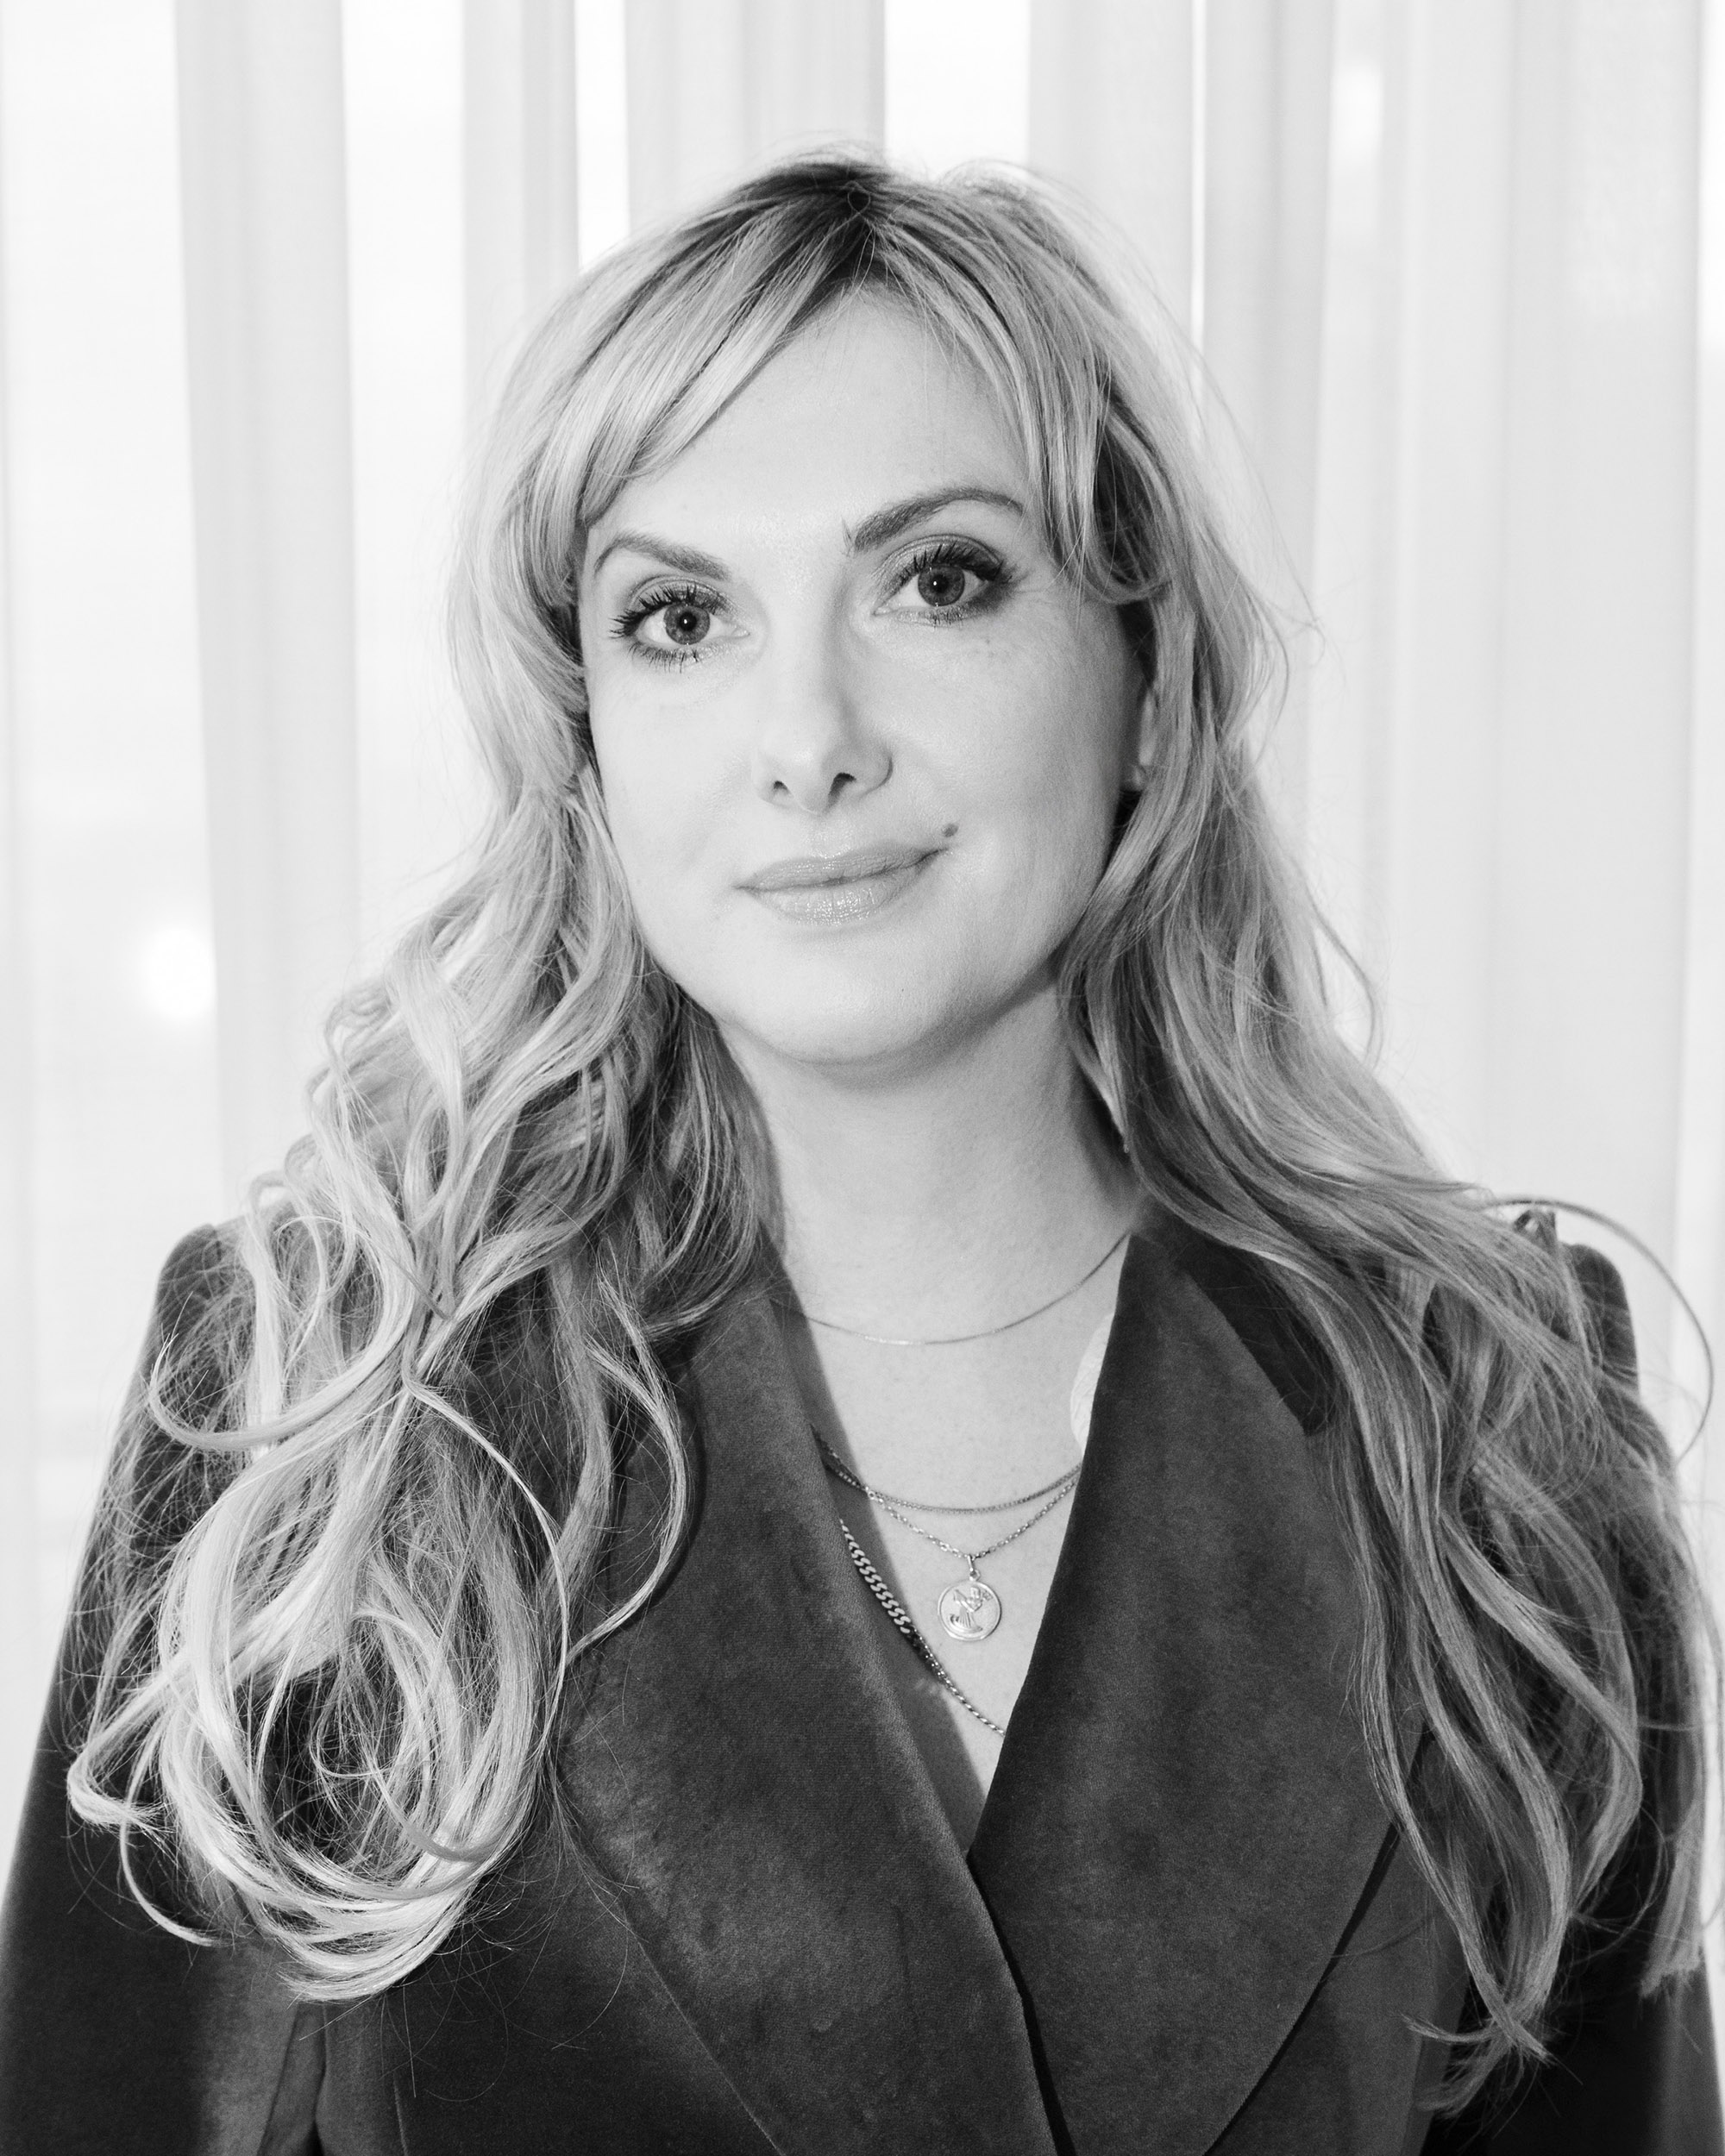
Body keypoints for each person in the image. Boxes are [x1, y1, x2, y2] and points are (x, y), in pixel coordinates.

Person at [0, 152, 1718, 2155]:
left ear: (1145, 677)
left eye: (940, 581)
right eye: (679, 617)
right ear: (587, 743)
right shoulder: (311, 1401)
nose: (807, 735)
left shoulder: (1488, 1413)